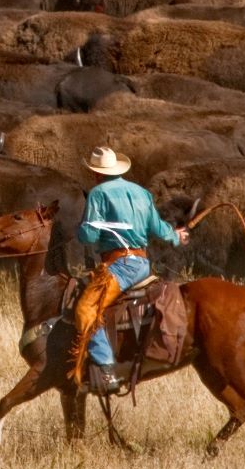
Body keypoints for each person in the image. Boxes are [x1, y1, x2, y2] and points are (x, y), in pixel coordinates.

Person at [69, 145, 188, 394]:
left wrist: (77, 231)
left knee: (86, 309)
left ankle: (106, 369)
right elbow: (157, 227)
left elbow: (90, 235)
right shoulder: (141, 192)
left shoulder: (98, 193)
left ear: (97, 173)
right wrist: (176, 236)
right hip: (143, 265)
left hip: (120, 265)